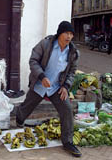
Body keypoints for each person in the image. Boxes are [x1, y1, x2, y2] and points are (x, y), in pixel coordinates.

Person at [15, 21, 81, 157]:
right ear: (59, 34)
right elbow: (33, 61)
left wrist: (66, 87)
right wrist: (41, 76)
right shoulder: (46, 44)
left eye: (71, 34)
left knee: (67, 109)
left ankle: (68, 142)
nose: (69, 37)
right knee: (28, 105)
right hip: (40, 83)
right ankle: (19, 120)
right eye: (66, 33)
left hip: (56, 87)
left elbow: (72, 72)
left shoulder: (73, 52)